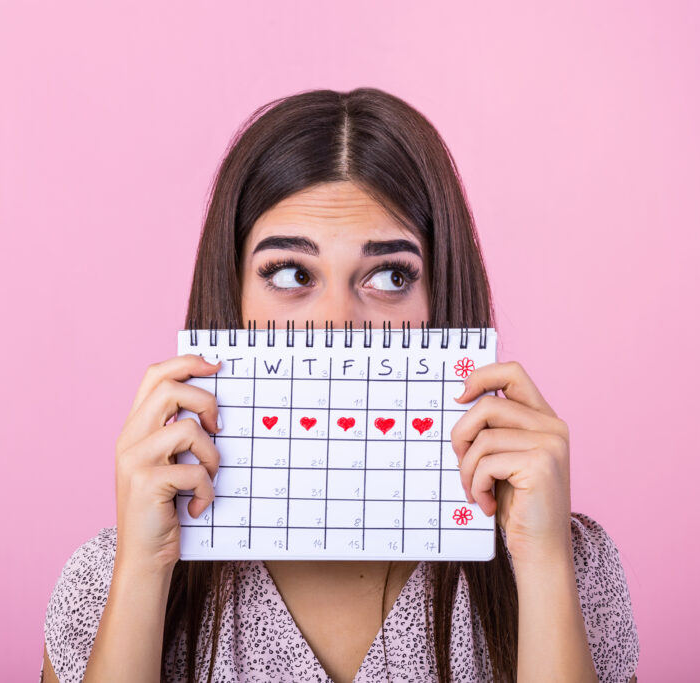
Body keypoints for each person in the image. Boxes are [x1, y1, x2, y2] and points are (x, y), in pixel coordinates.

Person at [41, 87, 640, 683]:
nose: (337, 322)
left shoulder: (569, 569)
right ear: (232, 300)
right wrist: (143, 572)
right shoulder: (108, 584)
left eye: (388, 275)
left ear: (440, 304)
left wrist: (541, 568)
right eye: (292, 273)